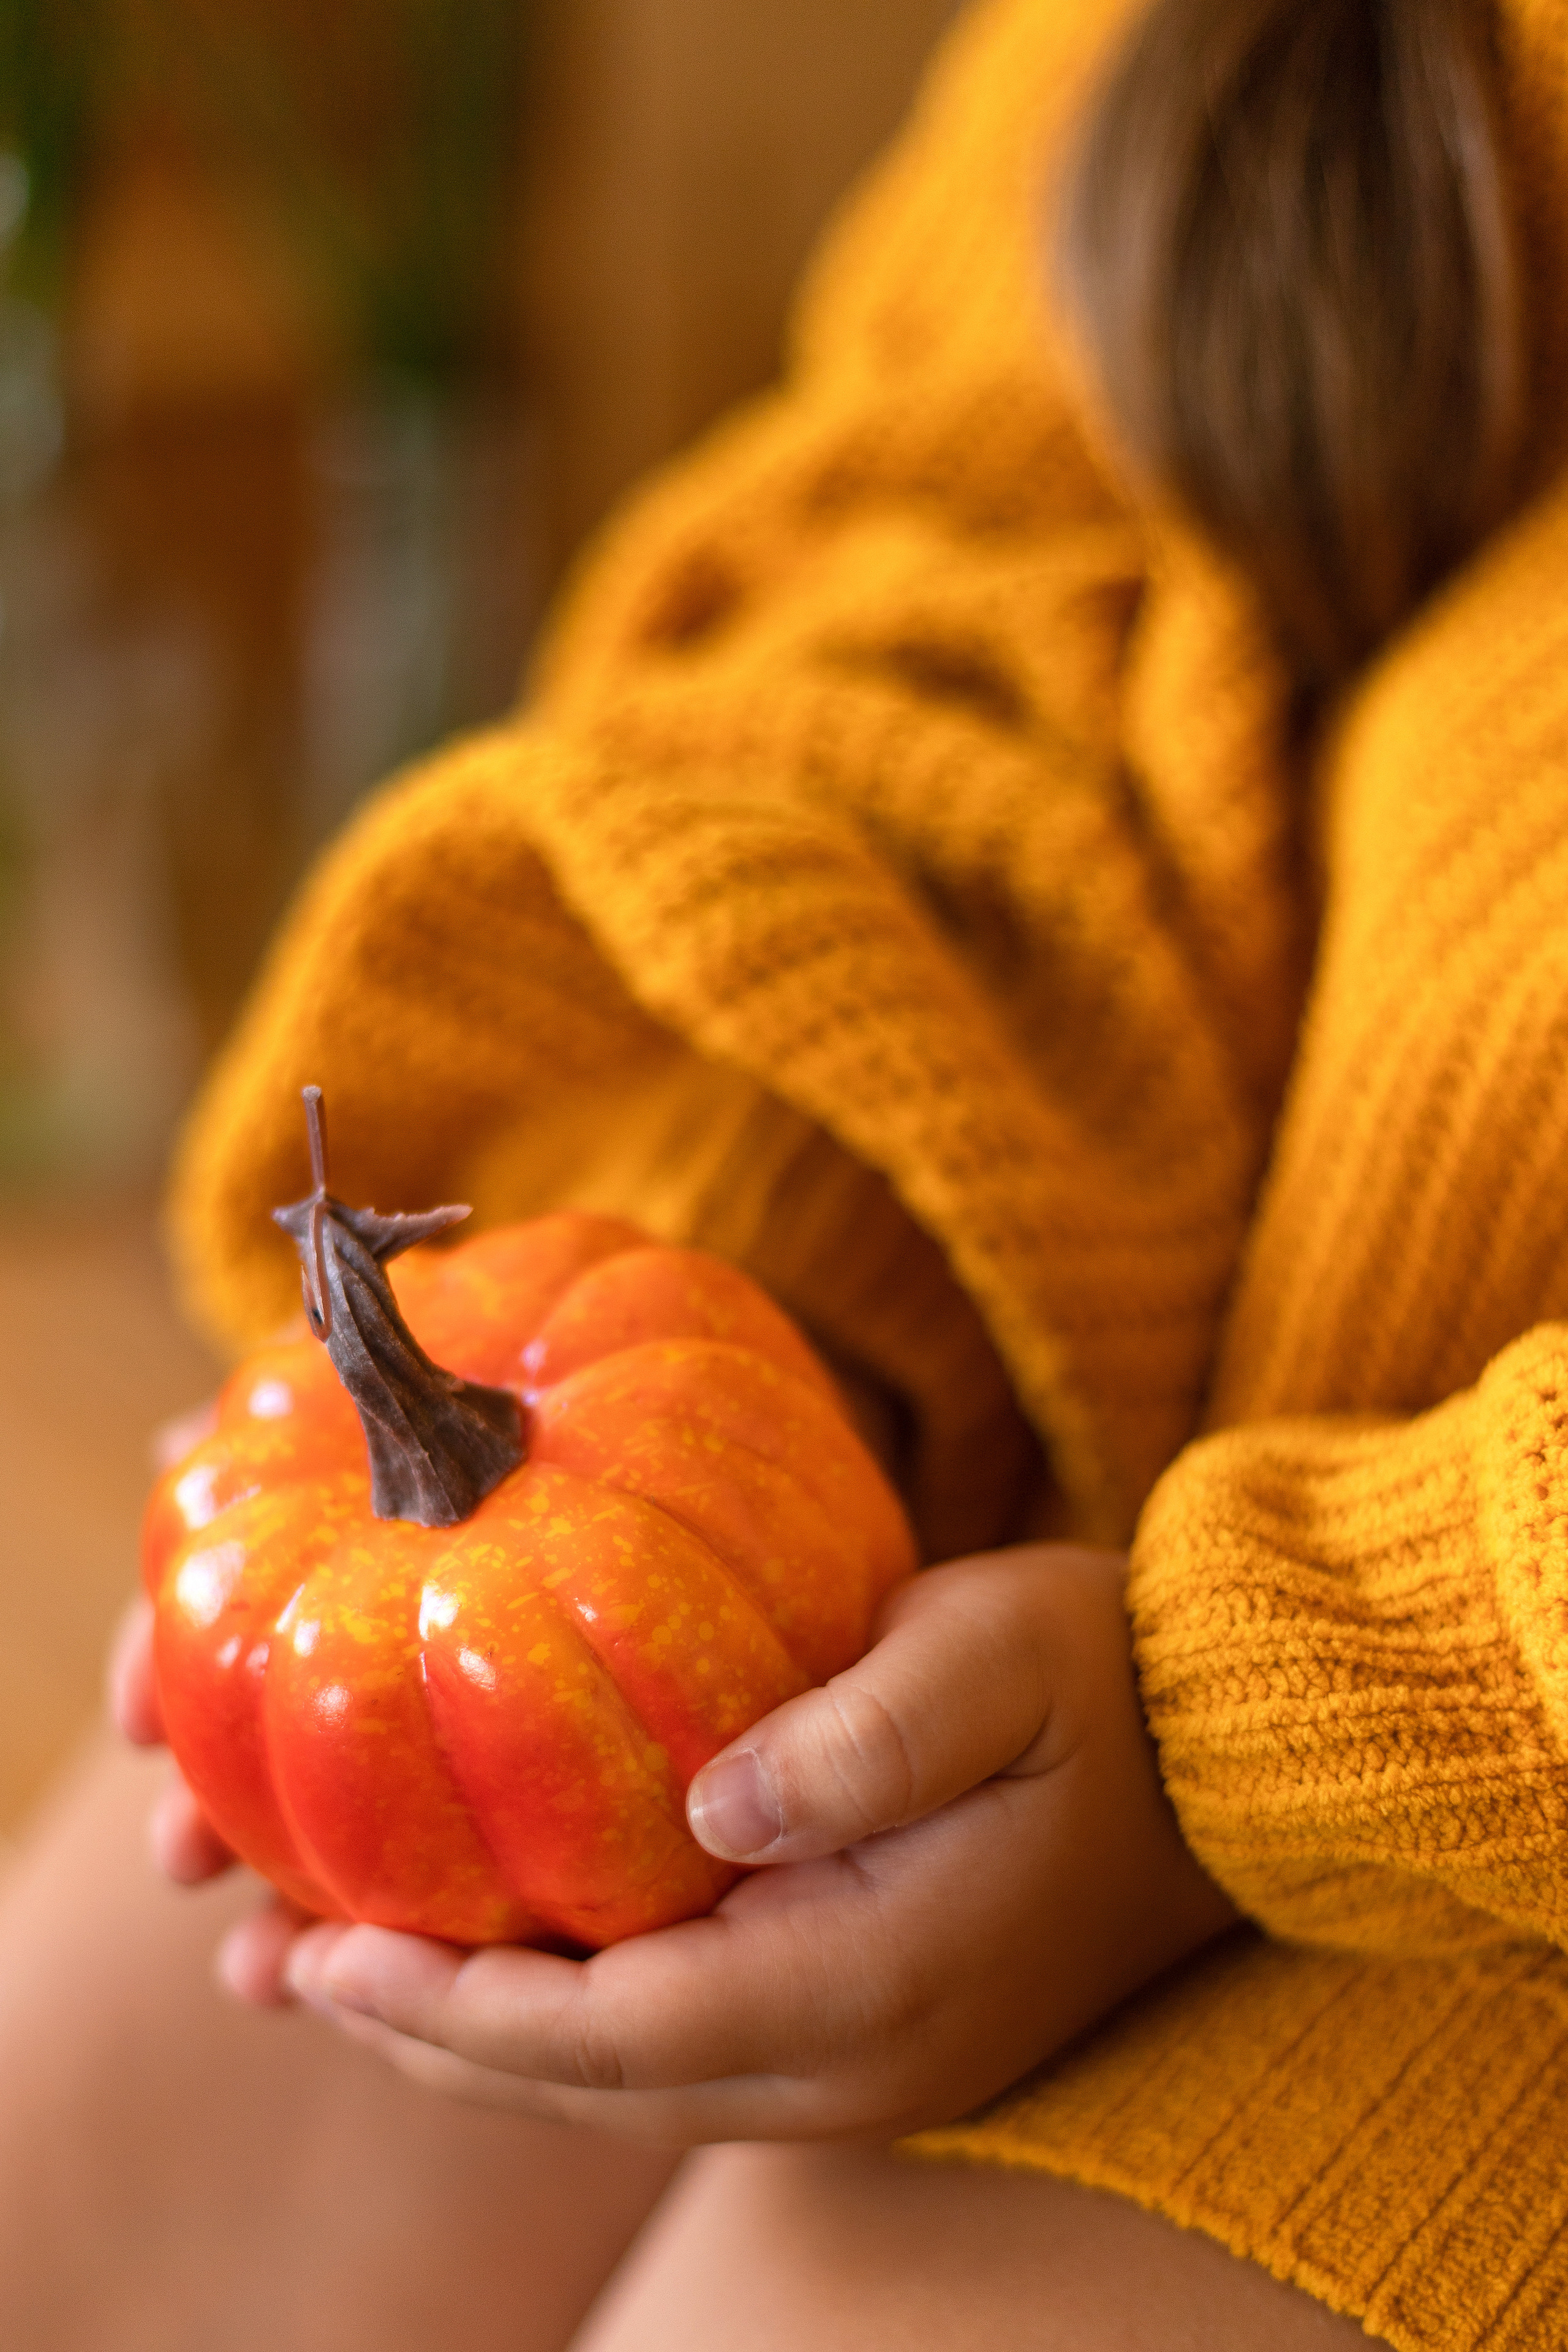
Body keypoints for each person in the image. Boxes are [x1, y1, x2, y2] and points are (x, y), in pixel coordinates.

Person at [3, 0, 1564, 2341]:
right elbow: (983, 544)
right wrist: (740, 1345)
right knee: (71, 2203)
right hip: (1126, 1468)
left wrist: (1250, 1717)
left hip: (1491, 1716)